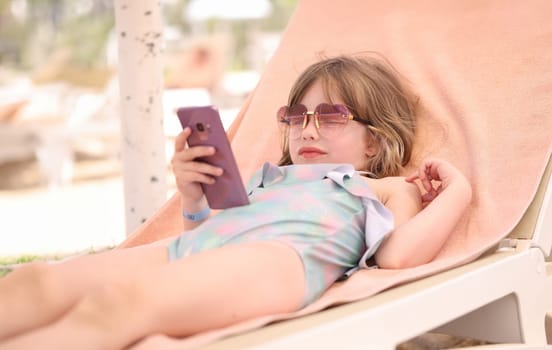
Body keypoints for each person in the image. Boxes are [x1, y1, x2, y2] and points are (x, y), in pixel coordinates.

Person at [0, 54, 472, 350]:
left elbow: (398, 255)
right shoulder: (268, 180)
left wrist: (458, 192)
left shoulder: (385, 188)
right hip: (207, 250)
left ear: (375, 141)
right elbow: (207, 239)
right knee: (38, 280)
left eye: (331, 116)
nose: (307, 128)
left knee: (121, 304)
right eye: (297, 115)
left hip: (280, 261)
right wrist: (191, 196)